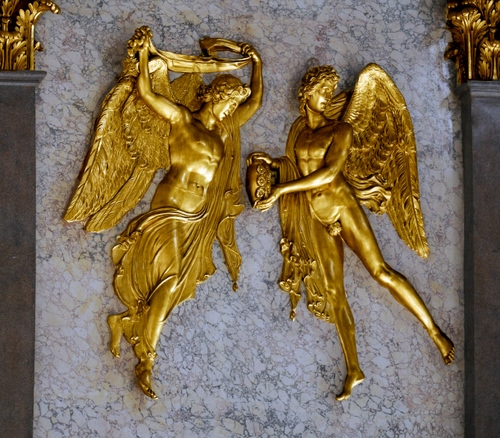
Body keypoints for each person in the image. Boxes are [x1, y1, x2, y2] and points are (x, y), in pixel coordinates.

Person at [251, 66, 454, 401]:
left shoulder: (341, 129)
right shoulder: (299, 131)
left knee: (381, 271)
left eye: (330, 92)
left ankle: (434, 332)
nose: (326, 97)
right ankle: (354, 369)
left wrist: (281, 189)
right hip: (317, 216)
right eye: (321, 91)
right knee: (334, 292)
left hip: (342, 207)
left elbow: (329, 172)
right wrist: (275, 166)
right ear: (306, 93)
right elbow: (300, 168)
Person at [107, 28, 263, 399]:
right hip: (172, 207)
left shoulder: (221, 134)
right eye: (228, 104)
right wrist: (143, 56)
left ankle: (127, 321)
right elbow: (147, 94)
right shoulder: (180, 119)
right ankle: (147, 359)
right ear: (216, 95)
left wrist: (257, 64)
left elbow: (254, 104)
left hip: (199, 216)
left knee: (177, 285)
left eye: (232, 108)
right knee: (172, 278)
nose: (230, 112)